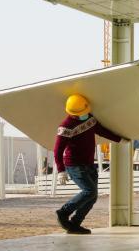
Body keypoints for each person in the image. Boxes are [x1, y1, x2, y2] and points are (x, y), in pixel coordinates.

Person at [53, 94, 124, 234]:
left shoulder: (89, 118)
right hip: (74, 165)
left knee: (92, 196)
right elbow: (57, 150)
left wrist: (120, 140)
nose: (85, 113)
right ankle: (63, 212)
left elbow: (102, 131)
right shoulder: (66, 126)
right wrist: (61, 170)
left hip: (89, 165)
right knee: (89, 191)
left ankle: (74, 224)